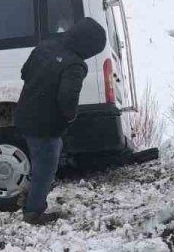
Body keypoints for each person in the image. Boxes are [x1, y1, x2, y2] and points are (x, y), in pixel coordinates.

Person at [13, 17, 107, 225]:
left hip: (23, 115)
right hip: (45, 126)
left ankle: (29, 197)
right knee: (45, 168)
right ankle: (34, 212)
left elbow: (24, 73)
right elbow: (67, 98)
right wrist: (70, 116)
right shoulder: (76, 65)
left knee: (40, 161)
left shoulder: (45, 46)